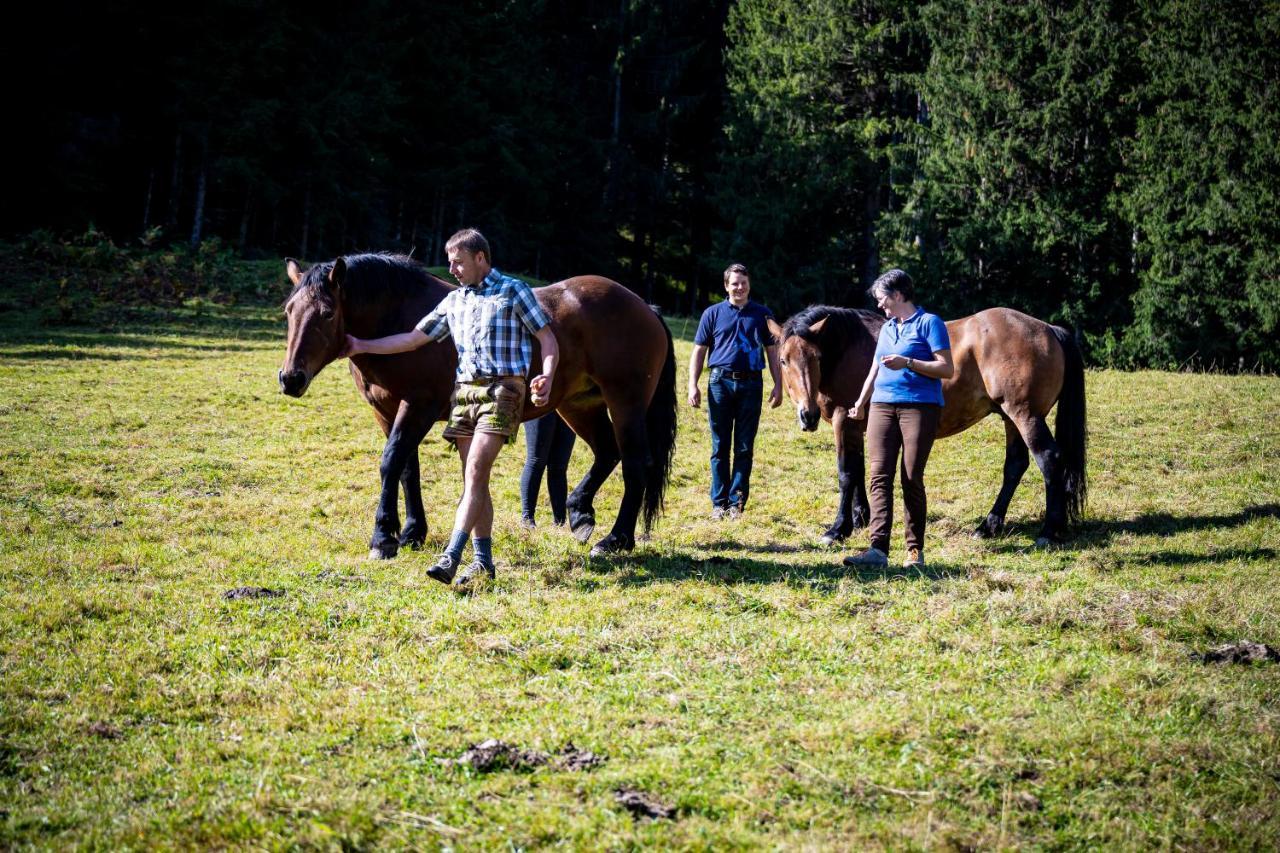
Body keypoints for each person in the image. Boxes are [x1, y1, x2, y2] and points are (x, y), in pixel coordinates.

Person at [342, 229, 558, 587]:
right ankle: (484, 562)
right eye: (449, 262)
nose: (452, 269)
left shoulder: (513, 291)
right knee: (474, 480)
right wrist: (360, 344)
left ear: (480, 258)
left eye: (458, 261)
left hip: (504, 388)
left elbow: (547, 338)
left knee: (475, 471)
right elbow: (412, 339)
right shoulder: (455, 300)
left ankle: (452, 555)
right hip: (464, 394)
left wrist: (547, 375)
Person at [843, 269, 953, 569]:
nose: (880, 306)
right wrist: (861, 402)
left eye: (882, 300)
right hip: (881, 406)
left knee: (911, 477)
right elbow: (875, 369)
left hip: (919, 407)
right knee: (879, 477)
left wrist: (909, 362)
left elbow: (946, 369)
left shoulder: (930, 323)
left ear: (898, 295)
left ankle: (914, 550)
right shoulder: (888, 328)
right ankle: (877, 550)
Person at [687, 263, 783, 519]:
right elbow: (699, 351)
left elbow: (772, 352)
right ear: (726, 286)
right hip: (720, 383)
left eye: (743, 283)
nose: (739, 288)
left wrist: (779, 384)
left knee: (744, 447)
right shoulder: (712, 313)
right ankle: (718, 504)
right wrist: (692, 384)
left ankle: (736, 503)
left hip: (752, 384)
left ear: (749, 284)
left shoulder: (762, 315)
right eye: (734, 283)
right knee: (719, 446)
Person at [520, 411, 576, 528]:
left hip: (568, 401)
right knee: (536, 460)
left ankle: (560, 522)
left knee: (559, 466)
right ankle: (527, 519)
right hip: (541, 403)